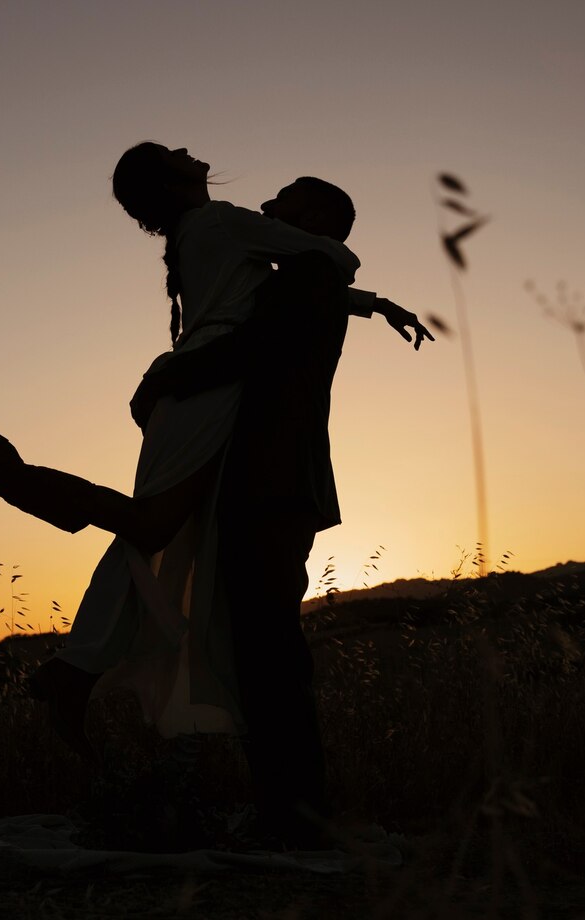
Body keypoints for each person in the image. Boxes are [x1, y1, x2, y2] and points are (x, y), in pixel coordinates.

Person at [0, 143, 415, 767]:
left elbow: (286, 285)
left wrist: (369, 302)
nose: (188, 149)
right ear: (168, 181)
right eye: (171, 152)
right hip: (203, 386)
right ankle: (7, 478)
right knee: (154, 523)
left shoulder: (205, 232)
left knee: (160, 531)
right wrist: (361, 289)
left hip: (195, 385)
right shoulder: (220, 221)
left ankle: (75, 667)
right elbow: (327, 257)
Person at [129, 176, 430, 843]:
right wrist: (379, 303)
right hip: (270, 484)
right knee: (261, 650)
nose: (268, 207)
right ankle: (289, 809)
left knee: (269, 653)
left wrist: (163, 377)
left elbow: (249, 345)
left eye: (286, 201)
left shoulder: (306, 279)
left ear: (320, 216)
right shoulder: (302, 280)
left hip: (272, 484)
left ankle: (295, 816)